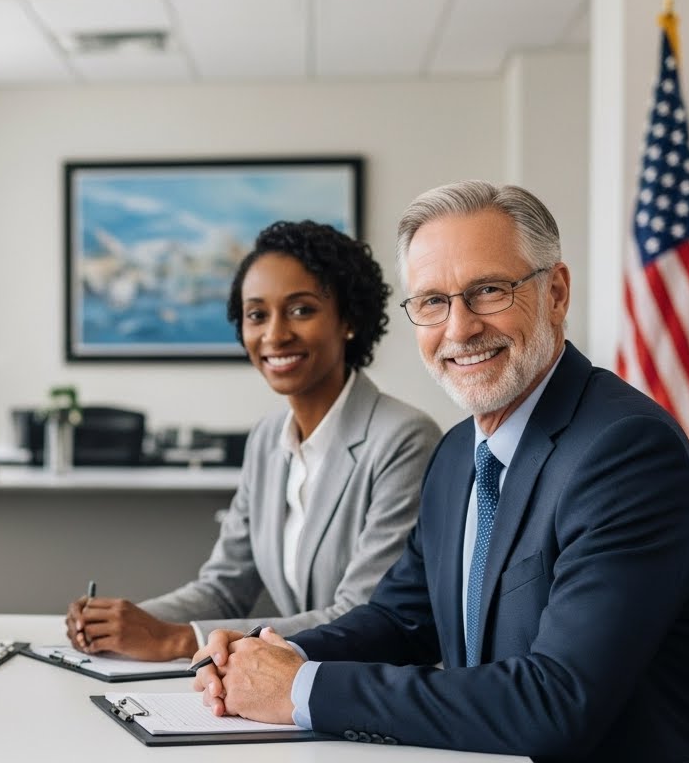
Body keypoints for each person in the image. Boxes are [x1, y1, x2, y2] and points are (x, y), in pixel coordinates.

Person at [192, 181, 689, 760]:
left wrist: (300, 689)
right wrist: (275, 654)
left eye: (488, 291)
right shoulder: (459, 452)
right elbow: (404, 619)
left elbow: (556, 702)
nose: (459, 329)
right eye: (432, 301)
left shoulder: (625, 451)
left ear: (556, 293)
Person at [64, 220, 441, 661]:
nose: (274, 335)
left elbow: (364, 617)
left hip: (366, 691)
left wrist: (180, 640)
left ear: (349, 320)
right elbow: (225, 590)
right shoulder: (265, 439)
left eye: (301, 310)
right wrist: (120, 623)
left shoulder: (404, 439)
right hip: (293, 687)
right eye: (257, 315)